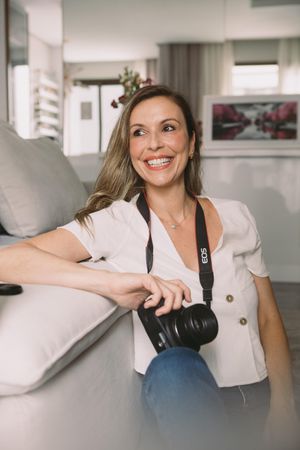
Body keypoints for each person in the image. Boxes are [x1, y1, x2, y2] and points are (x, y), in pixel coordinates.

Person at [0, 85, 298, 450]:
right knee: (173, 367)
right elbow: (7, 258)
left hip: (256, 396)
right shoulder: (115, 222)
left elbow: (268, 318)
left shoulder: (236, 215)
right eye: (139, 132)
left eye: (168, 128)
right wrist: (110, 282)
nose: (154, 144)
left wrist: (285, 406)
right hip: (181, 399)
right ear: (130, 150)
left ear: (192, 143)